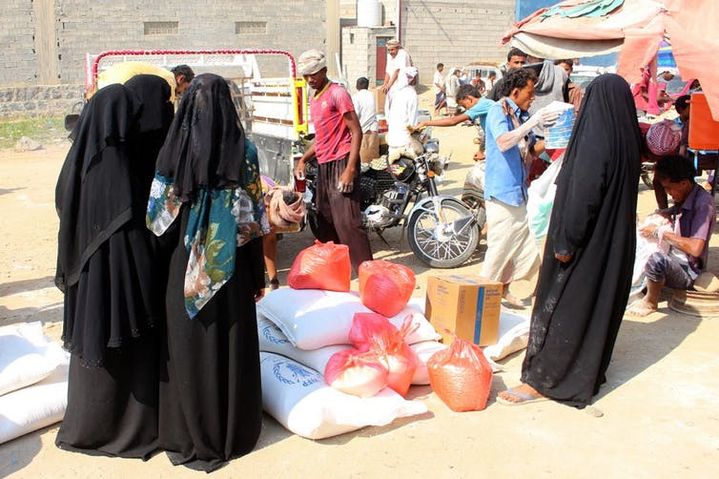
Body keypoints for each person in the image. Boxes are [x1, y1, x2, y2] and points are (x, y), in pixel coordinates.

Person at [146, 73, 269, 471]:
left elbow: (156, 223)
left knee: (188, 350)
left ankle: (188, 432)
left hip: (183, 268)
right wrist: (256, 275)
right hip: (228, 268)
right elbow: (253, 223)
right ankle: (231, 430)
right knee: (230, 348)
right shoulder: (245, 152)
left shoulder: (174, 151)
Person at [498, 74, 642, 408]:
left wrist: (566, 242)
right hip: (614, 244)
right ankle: (586, 373)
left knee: (566, 307)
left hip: (586, 243)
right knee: (596, 308)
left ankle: (545, 381)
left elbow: (583, 195)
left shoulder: (596, 138)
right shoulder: (626, 137)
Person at [55, 75, 174, 459]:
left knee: (96, 346)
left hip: (89, 277)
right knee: (129, 344)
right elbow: (134, 225)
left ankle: (87, 426)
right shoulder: (118, 166)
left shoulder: (81, 162)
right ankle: (132, 429)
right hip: (121, 273)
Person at [482, 68, 559, 307]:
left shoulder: (521, 116)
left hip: (519, 191)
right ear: (515, 92)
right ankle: (482, 296)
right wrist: (534, 122)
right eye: (530, 92)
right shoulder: (498, 111)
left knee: (520, 244)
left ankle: (502, 290)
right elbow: (504, 142)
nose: (533, 97)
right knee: (500, 247)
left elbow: (532, 150)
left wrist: (557, 136)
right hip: (503, 192)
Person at [294, 50, 373, 272]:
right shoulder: (315, 98)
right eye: (306, 76)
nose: (310, 79)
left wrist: (349, 169)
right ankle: (340, 265)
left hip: (342, 160)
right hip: (324, 163)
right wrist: (303, 160)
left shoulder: (338, 93)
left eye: (314, 74)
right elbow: (322, 137)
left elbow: (356, 131)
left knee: (348, 221)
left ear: (324, 71)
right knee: (323, 217)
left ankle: (366, 271)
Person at [627, 155, 716, 317]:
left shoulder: (703, 204)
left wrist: (658, 232)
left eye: (669, 188)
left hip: (687, 270)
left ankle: (651, 302)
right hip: (674, 255)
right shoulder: (685, 194)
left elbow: (695, 249)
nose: (668, 193)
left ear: (684, 183)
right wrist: (666, 213)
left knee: (656, 260)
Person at [417, 84, 493, 160]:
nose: (466, 109)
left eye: (464, 105)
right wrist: (481, 151)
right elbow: (488, 134)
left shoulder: (482, 104)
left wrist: (425, 123)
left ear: (469, 98)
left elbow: (453, 121)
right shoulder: (485, 103)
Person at [387, 67, 419, 153]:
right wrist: (415, 129)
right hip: (404, 139)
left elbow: (388, 112)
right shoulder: (411, 93)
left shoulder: (395, 91)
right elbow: (413, 119)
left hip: (392, 137)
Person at [381, 39, 412, 115]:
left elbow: (397, 71)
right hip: (393, 86)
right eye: (389, 50)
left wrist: (388, 86)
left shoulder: (402, 54)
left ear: (398, 48)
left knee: (401, 109)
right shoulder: (389, 56)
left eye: (392, 50)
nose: (390, 52)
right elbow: (388, 72)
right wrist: (384, 84)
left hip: (403, 86)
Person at [352, 76, 380, 163]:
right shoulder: (371, 95)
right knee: (374, 160)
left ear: (357, 86)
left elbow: (355, 114)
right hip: (373, 131)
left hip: (362, 132)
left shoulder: (356, 97)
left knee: (363, 162)